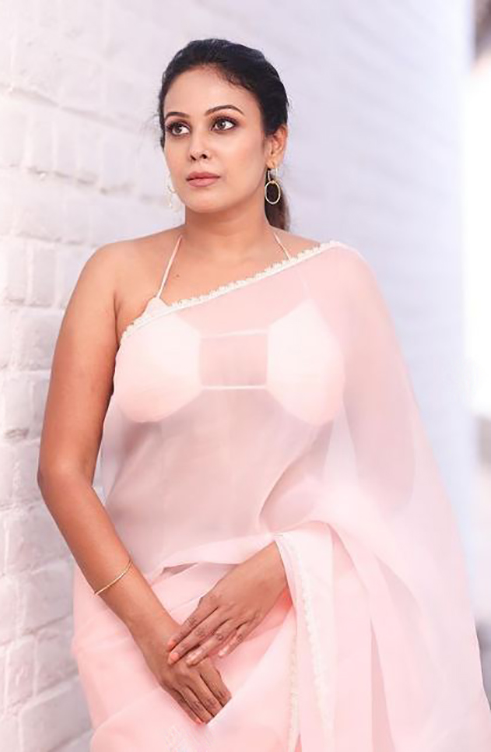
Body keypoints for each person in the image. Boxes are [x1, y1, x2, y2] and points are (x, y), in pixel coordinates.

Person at [37, 38, 491, 751]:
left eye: (223, 124)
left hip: (296, 613)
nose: (197, 146)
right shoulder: (117, 275)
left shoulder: (338, 279)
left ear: (274, 143)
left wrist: (283, 566)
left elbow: (392, 476)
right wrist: (152, 631)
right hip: (148, 622)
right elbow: (62, 471)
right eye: (178, 128)